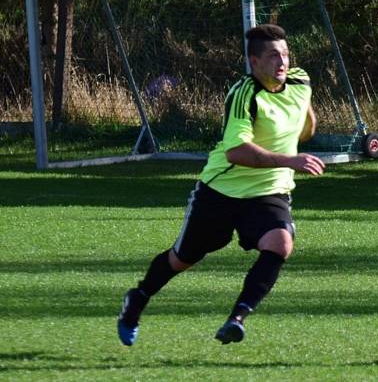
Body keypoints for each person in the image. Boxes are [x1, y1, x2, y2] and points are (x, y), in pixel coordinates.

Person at [116, 24, 325, 346]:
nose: (282, 61)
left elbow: (305, 119)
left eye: (284, 54)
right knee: (181, 259)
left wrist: (306, 127)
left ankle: (236, 319)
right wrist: (291, 160)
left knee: (281, 244)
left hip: (269, 192)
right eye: (272, 56)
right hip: (221, 191)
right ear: (254, 62)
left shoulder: (300, 81)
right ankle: (137, 299)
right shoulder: (244, 94)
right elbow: (236, 151)